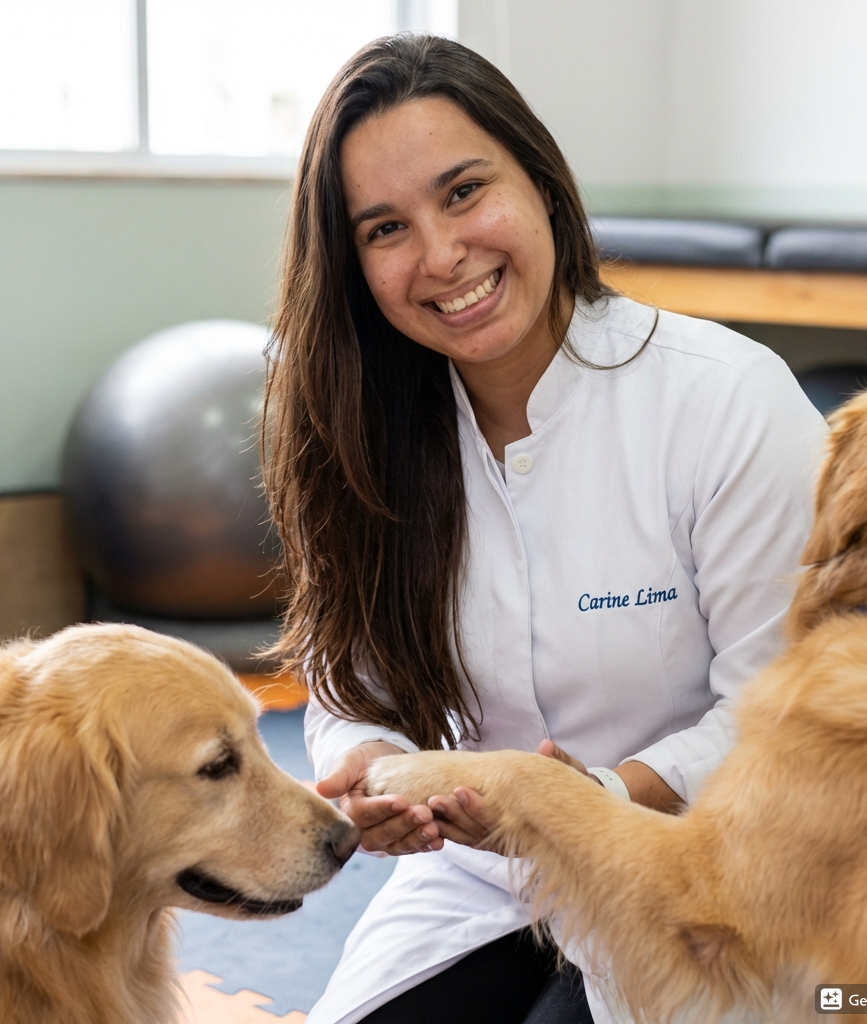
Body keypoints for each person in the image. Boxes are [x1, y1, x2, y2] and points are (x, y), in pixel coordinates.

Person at [264, 33, 826, 1024]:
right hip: (485, 878)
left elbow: (780, 722)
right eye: (384, 228)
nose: (441, 255)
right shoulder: (361, 432)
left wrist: (590, 797)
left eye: (463, 192)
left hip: (710, 874)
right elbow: (349, 687)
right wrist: (370, 772)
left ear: (542, 185)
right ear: (352, 266)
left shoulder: (728, 401)